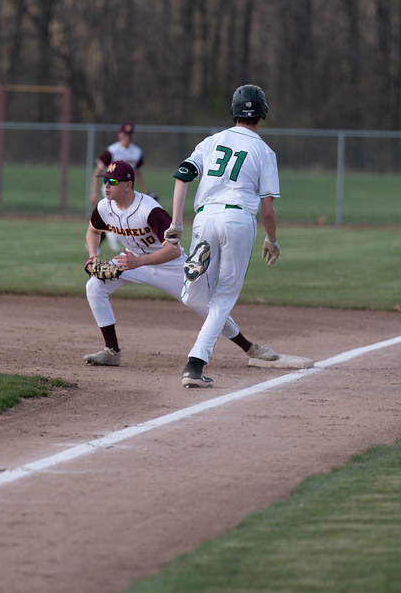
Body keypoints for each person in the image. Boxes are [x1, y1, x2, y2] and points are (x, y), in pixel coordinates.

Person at [83, 160, 278, 369]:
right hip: (131, 260)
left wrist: (139, 262)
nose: (107, 185)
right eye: (105, 180)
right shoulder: (104, 207)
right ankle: (111, 352)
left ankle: (249, 347)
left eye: (113, 181)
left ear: (128, 185)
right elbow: (93, 231)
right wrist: (93, 257)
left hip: (169, 264)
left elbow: (173, 249)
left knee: (204, 306)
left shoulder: (149, 210)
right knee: (94, 286)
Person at [165, 84, 281, 388]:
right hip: (239, 219)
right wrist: (272, 240)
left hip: (205, 216)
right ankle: (195, 363)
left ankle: (196, 275)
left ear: (233, 112)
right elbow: (267, 209)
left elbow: (182, 176)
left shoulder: (211, 141)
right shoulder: (264, 151)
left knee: (194, 297)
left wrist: (176, 223)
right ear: (262, 114)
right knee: (224, 296)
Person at [90, 122, 147, 204]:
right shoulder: (111, 151)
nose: (127, 137)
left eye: (129, 135)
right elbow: (98, 171)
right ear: (120, 134)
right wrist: (94, 192)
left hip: (127, 188)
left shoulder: (137, 152)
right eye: (125, 134)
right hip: (111, 186)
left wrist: (145, 192)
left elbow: (139, 173)